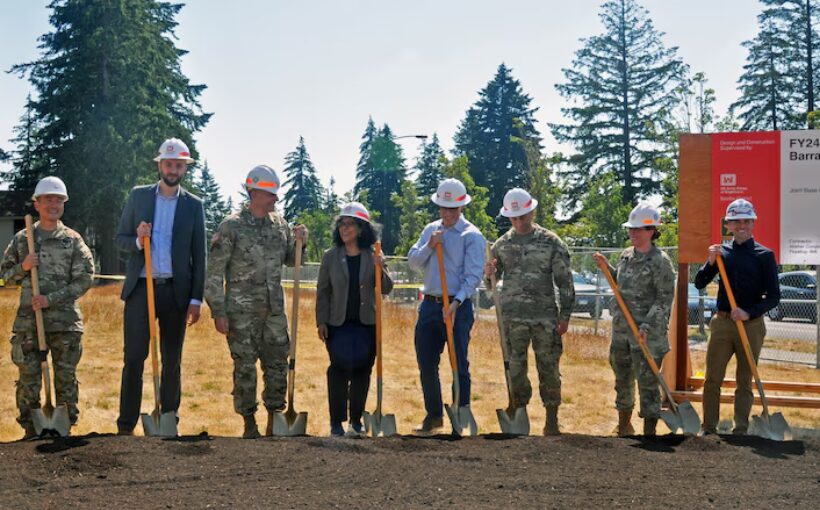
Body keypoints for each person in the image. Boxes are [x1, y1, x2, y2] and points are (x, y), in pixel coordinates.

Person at [205, 165, 307, 438]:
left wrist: (300, 243)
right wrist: (218, 311)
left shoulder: (280, 225)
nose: (275, 198)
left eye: (275, 194)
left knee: (277, 365)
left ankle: (276, 419)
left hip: (274, 311)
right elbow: (214, 272)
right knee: (245, 367)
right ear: (253, 193)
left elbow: (292, 259)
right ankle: (249, 422)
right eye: (269, 193)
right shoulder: (231, 226)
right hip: (241, 312)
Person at [115, 137, 206, 436]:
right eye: (168, 163)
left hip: (176, 292)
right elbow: (120, 241)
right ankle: (126, 424)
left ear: (184, 169)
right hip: (142, 288)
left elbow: (199, 255)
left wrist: (196, 299)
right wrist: (137, 240)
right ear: (160, 165)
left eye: (178, 165)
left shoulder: (194, 206)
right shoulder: (139, 197)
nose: (173, 169)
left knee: (171, 359)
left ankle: (168, 418)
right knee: (134, 357)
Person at [1, 177, 95, 439]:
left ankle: (64, 429)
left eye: (58, 200)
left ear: (64, 204)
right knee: (28, 380)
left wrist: (51, 299)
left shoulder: (72, 240)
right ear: (37, 203)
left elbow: (86, 278)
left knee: (66, 378)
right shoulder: (23, 240)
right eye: (48, 199)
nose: (53, 204)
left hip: (64, 324)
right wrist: (24, 267)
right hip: (29, 324)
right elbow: (4, 278)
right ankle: (31, 431)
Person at [484, 188, 574, 436]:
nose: (518, 222)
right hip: (513, 318)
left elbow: (565, 282)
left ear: (531, 212)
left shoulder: (551, 242)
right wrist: (489, 273)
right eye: (513, 218)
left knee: (548, 367)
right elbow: (491, 283)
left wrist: (565, 316)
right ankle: (518, 411)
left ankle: (552, 418)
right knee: (515, 367)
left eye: (522, 216)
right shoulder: (501, 245)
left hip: (545, 318)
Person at [694, 198, 779, 436]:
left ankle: (740, 429)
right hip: (722, 324)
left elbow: (773, 297)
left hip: (751, 325)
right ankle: (708, 428)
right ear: (728, 225)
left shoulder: (764, 255)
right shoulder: (721, 253)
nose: (741, 225)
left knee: (744, 378)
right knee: (713, 378)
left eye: (746, 221)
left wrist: (748, 312)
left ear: (753, 223)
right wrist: (709, 262)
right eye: (736, 221)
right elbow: (700, 283)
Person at [407, 178, 486, 434]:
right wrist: (430, 246)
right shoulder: (430, 230)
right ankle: (434, 415)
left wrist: (456, 302)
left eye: (453, 209)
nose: (448, 213)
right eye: (444, 208)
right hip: (430, 305)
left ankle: (461, 412)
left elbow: (474, 276)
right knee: (426, 362)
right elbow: (413, 262)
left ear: (462, 207)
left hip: (457, 306)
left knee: (458, 362)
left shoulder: (471, 235)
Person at [593, 202, 675, 437]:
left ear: (651, 231)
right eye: (631, 229)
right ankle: (624, 426)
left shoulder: (661, 262)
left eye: (638, 230)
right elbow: (620, 286)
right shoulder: (626, 256)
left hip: (647, 334)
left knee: (648, 382)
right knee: (622, 378)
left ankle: (649, 431)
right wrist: (606, 268)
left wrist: (647, 326)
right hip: (622, 330)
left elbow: (664, 299)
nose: (633, 234)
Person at [315, 202, 393, 437]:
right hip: (337, 325)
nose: (344, 228)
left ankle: (356, 421)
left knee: (362, 371)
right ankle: (337, 423)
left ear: (361, 229)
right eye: (341, 224)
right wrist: (321, 322)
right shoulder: (330, 257)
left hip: (366, 324)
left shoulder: (375, 255)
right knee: (338, 371)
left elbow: (386, 289)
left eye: (350, 224)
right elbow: (323, 292)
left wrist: (381, 269)